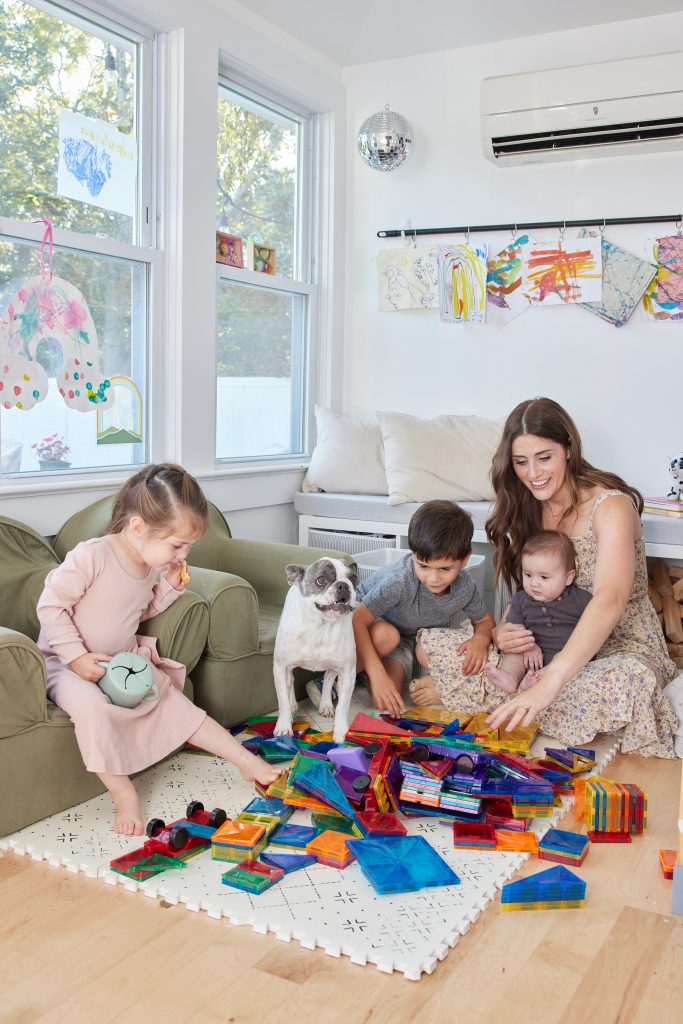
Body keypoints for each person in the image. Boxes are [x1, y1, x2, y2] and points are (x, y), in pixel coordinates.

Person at [413, 397, 678, 757]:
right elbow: (529, 591)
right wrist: (505, 631)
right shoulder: (530, 508)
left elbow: (610, 600)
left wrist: (551, 682)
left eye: (544, 457)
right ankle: (522, 694)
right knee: (440, 649)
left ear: (568, 448)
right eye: (521, 462)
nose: (533, 473)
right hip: (545, 646)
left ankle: (516, 697)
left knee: (626, 683)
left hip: (615, 648)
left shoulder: (611, 506)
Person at [37, 463, 281, 837]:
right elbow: (51, 605)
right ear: (138, 527)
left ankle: (247, 763)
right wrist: (75, 656)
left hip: (121, 661)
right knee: (92, 709)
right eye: (177, 545)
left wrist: (168, 586)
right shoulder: (93, 556)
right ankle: (123, 794)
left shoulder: (148, 565)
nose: (182, 554)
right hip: (65, 663)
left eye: (187, 546)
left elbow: (141, 610)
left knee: (174, 704)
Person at [351, 499, 495, 717]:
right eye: (423, 566)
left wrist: (481, 639)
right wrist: (376, 671)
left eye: (445, 568)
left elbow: (484, 621)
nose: (433, 578)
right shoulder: (400, 580)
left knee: (387, 704)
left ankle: (361, 672)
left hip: (405, 637)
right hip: (366, 623)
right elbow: (357, 620)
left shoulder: (465, 587)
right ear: (413, 554)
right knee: (386, 635)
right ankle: (336, 677)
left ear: (465, 559)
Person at [484, 530, 592, 694]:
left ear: (568, 578)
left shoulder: (581, 599)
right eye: (528, 574)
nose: (534, 583)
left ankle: (538, 679)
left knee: (562, 660)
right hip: (531, 654)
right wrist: (529, 647)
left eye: (544, 577)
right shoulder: (521, 600)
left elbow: (594, 629)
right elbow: (515, 630)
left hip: (564, 655)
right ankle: (510, 678)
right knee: (514, 656)